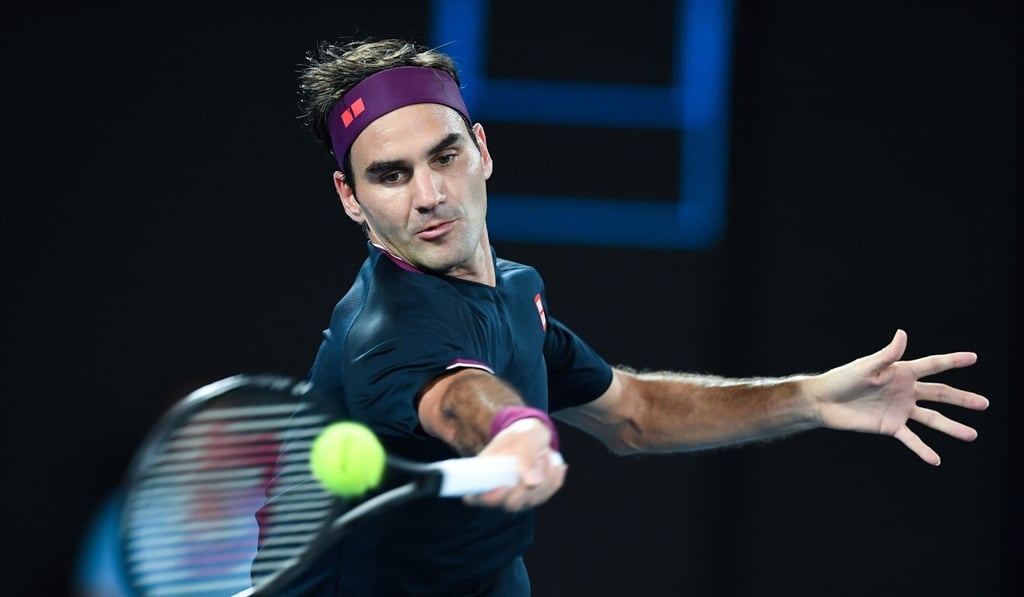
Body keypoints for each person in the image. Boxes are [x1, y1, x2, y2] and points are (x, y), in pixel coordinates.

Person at [288, 37, 988, 596]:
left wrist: (810, 397)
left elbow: (634, 412)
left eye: (445, 156)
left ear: (483, 150)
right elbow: (456, 396)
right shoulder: (383, 334)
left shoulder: (512, 292)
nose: (431, 194)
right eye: (391, 174)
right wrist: (516, 428)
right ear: (351, 197)